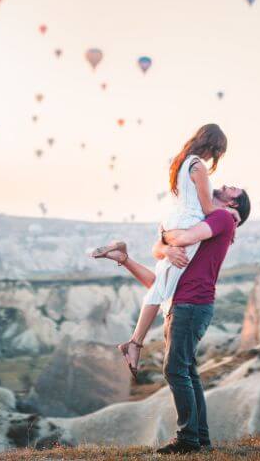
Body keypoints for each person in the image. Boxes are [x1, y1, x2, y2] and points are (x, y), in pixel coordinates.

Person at [93, 186, 250, 454]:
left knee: (175, 370)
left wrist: (166, 236)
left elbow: (180, 238)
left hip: (192, 305)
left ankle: (188, 439)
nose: (223, 185)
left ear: (234, 206)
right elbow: (158, 277)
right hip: (183, 305)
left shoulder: (222, 219)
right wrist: (154, 250)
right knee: (187, 371)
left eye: (233, 189)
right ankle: (200, 439)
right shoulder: (208, 222)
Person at [92, 124, 227, 378]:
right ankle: (134, 343)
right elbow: (209, 210)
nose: (214, 158)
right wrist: (226, 217)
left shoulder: (181, 162)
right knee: (164, 289)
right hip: (188, 226)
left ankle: (123, 259)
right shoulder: (199, 166)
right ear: (214, 146)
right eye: (217, 152)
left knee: (161, 283)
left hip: (171, 222)